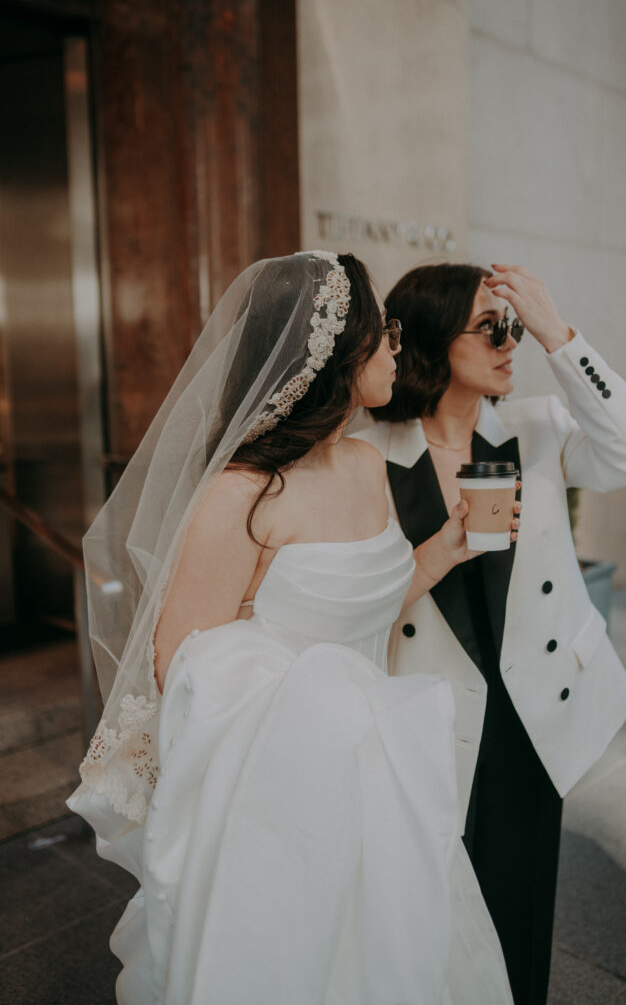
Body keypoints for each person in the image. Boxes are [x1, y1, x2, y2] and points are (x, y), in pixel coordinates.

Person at [67, 251, 516, 1004]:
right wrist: (307, 708)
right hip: (277, 789)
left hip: (382, 770)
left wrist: (448, 547)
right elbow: (180, 662)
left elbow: (369, 607)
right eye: (383, 335)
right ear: (342, 357)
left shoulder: (368, 467)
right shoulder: (242, 493)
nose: (394, 350)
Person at [354, 262, 626, 1005]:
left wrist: (556, 332)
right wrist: (434, 556)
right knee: (425, 919)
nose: (507, 342)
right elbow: (354, 604)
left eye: (513, 328)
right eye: (489, 328)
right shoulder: (369, 455)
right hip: (422, 714)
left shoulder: (535, 430)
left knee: (517, 915)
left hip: (530, 714)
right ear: (429, 338)